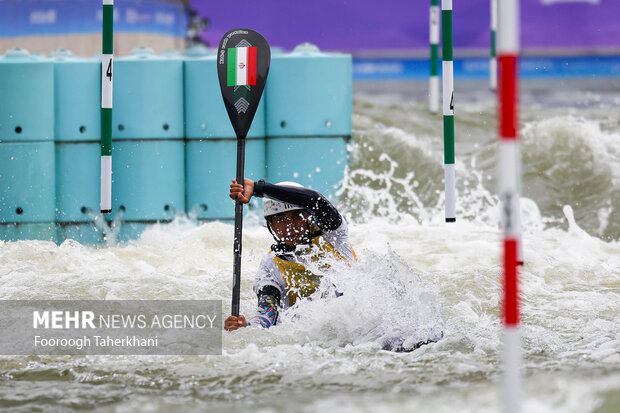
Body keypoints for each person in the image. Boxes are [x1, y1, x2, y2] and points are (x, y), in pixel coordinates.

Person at [224, 179, 356, 331]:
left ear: (308, 216)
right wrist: (246, 326)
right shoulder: (270, 265)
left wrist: (258, 188)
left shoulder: (334, 236)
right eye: (280, 219)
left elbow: (315, 200)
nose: (290, 226)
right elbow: (267, 313)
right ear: (270, 224)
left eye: (296, 216)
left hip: (354, 324)